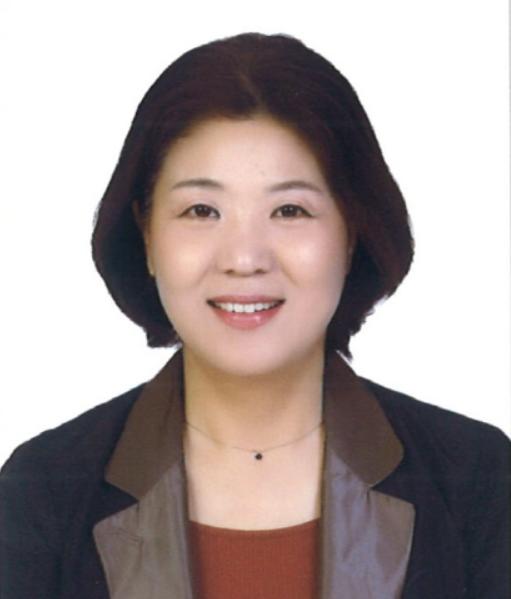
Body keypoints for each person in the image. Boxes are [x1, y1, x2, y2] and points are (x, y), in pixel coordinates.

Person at [0, 32, 509, 599]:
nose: (244, 259)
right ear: (146, 235)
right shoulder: (45, 488)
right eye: (201, 210)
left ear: (350, 233)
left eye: (289, 210)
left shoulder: (477, 480)